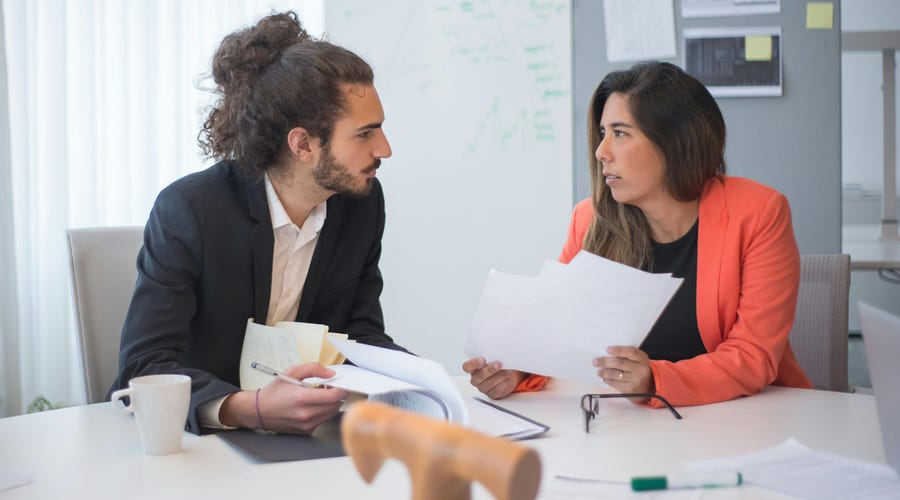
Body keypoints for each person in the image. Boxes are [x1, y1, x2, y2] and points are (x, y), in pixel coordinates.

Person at [110, 11, 406, 435]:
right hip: (192, 441)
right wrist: (251, 408)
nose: (385, 149)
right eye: (365, 134)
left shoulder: (361, 204)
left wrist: (435, 385)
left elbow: (361, 338)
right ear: (303, 144)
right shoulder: (191, 210)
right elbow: (145, 365)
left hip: (304, 439)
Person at [463, 61, 812, 408]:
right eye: (603, 133)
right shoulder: (589, 219)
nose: (601, 152)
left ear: (674, 141)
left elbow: (753, 355)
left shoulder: (758, 212)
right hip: (630, 423)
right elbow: (555, 332)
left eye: (620, 133)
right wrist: (516, 372)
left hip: (747, 415)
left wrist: (655, 380)